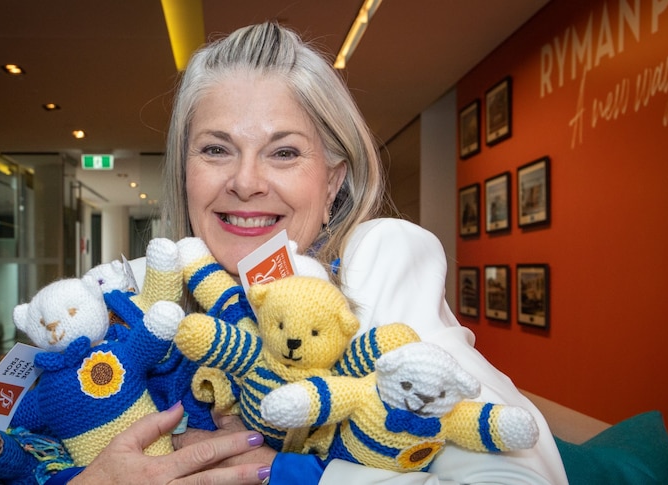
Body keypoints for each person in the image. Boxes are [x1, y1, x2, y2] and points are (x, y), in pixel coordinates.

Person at [57, 21, 569, 484]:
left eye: (284, 152)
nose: (245, 182)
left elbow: (522, 480)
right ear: (184, 172)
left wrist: (289, 474)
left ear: (333, 183)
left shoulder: (375, 263)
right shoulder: (130, 293)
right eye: (216, 149)